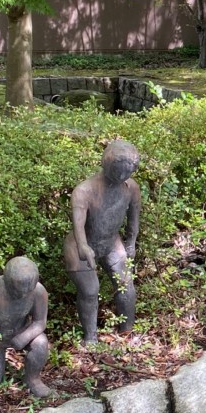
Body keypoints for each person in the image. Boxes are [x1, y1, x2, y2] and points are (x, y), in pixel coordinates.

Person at [63, 138, 141, 346]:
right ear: (107, 164)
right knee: (90, 290)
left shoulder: (131, 188)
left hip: (111, 242)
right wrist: (83, 246)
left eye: (128, 172)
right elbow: (78, 224)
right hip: (81, 245)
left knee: (126, 285)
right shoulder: (84, 191)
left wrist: (131, 241)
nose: (123, 177)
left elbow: (134, 219)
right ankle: (90, 337)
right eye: (118, 172)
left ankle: (127, 331)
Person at [0, 256, 52, 397]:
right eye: (18, 291)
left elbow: (40, 322)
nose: (23, 295)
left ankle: (33, 379)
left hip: (21, 330)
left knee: (41, 344)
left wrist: (24, 337)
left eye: (28, 291)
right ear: (6, 282)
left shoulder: (38, 292)